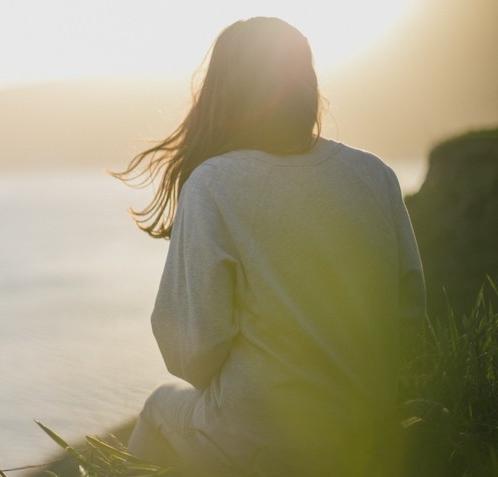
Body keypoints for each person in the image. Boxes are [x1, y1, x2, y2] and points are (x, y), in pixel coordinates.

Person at [114, 17, 427, 476]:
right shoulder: (374, 174)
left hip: (263, 442)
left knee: (160, 408)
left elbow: (191, 355)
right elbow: (409, 314)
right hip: (367, 428)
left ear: (223, 92)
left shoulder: (214, 183)